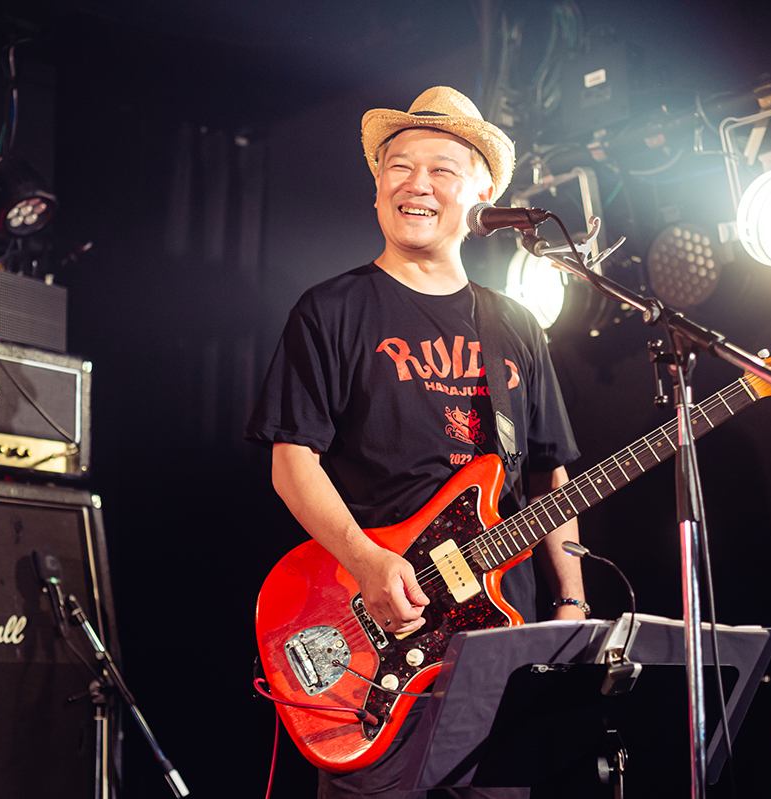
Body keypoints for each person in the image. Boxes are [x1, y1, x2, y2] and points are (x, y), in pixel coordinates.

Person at [246, 86, 587, 798]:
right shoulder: (331, 310)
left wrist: (571, 604)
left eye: (441, 169)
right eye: (398, 166)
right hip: (374, 637)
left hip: (499, 645)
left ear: (483, 193)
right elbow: (291, 462)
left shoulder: (516, 325)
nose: (416, 184)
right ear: (377, 186)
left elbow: (548, 474)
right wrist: (367, 560)